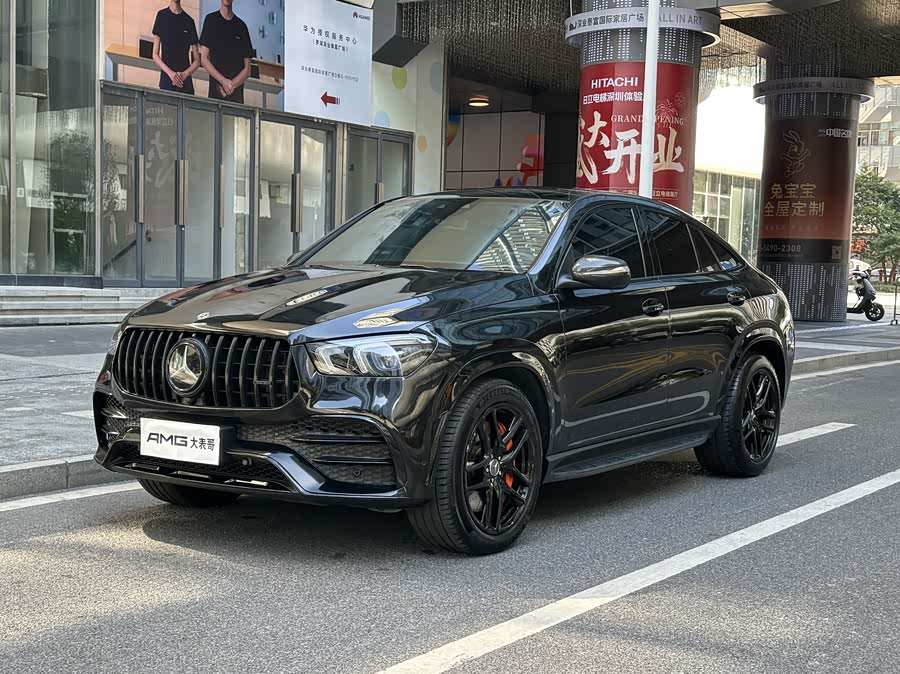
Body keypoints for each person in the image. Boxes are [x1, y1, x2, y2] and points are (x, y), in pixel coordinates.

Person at [199, 0, 254, 104]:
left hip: (236, 97)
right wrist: (223, 81)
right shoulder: (211, 20)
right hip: (215, 93)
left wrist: (229, 85)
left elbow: (247, 70)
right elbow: (204, 59)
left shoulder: (241, 27)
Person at [151, 0, 200, 94]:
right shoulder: (162, 16)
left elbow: (197, 60)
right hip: (167, 81)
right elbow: (155, 54)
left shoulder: (189, 21)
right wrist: (170, 73)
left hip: (185, 83)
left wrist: (184, 74)